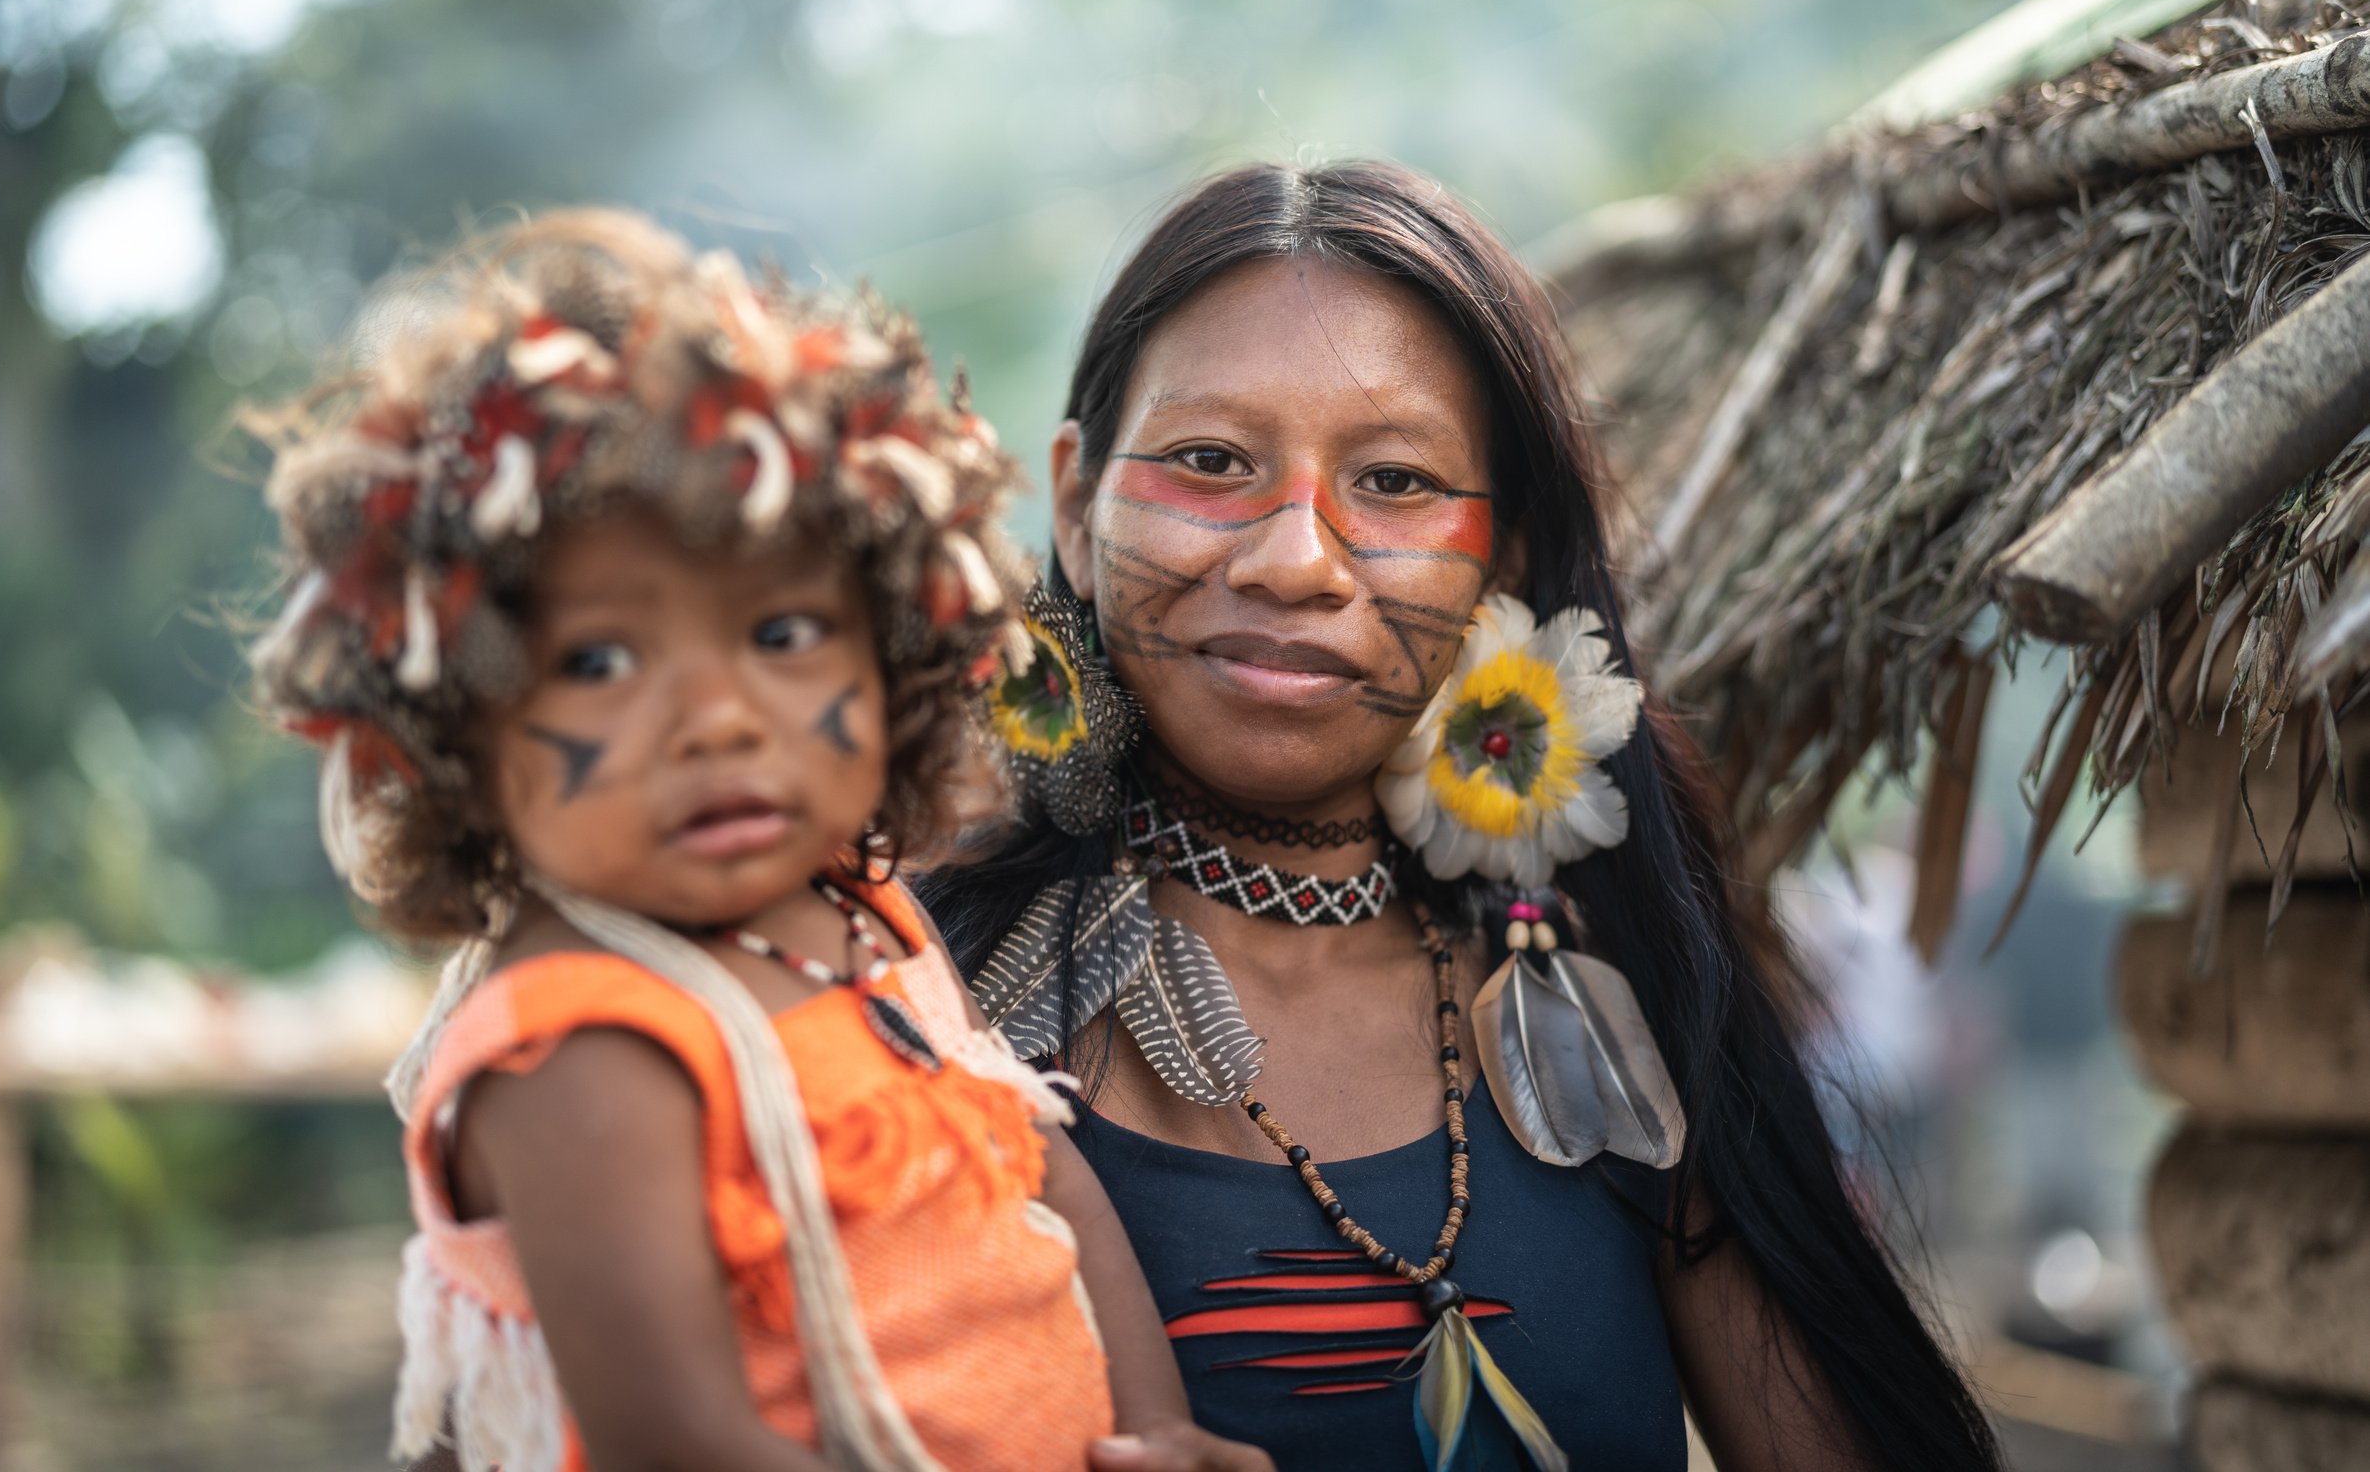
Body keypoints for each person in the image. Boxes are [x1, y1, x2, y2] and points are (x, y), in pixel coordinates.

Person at [920, 162, 2005, 1471]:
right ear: (1078, 512)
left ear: (1502, 556)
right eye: (1210, 463)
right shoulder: (916, 1003)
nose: (1292, 561)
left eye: (1392, 482)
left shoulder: (1615, 984)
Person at [248, 210, 1272, 1472]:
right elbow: (677, 1439)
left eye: (783, 635)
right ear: (457, 728)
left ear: (895, 657)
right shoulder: (582, 1040)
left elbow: (1042, 1179)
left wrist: (1158, 1429)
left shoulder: (866, 912)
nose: (719, 720)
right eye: (601, 659)